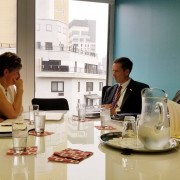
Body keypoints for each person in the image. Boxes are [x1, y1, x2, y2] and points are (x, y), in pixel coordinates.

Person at [0, 52, 23, 122]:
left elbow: (20, 109)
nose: (19, 76)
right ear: (6, 72)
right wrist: (20, 89)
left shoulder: (10, 88)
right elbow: (14, 114)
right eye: (16, 72)